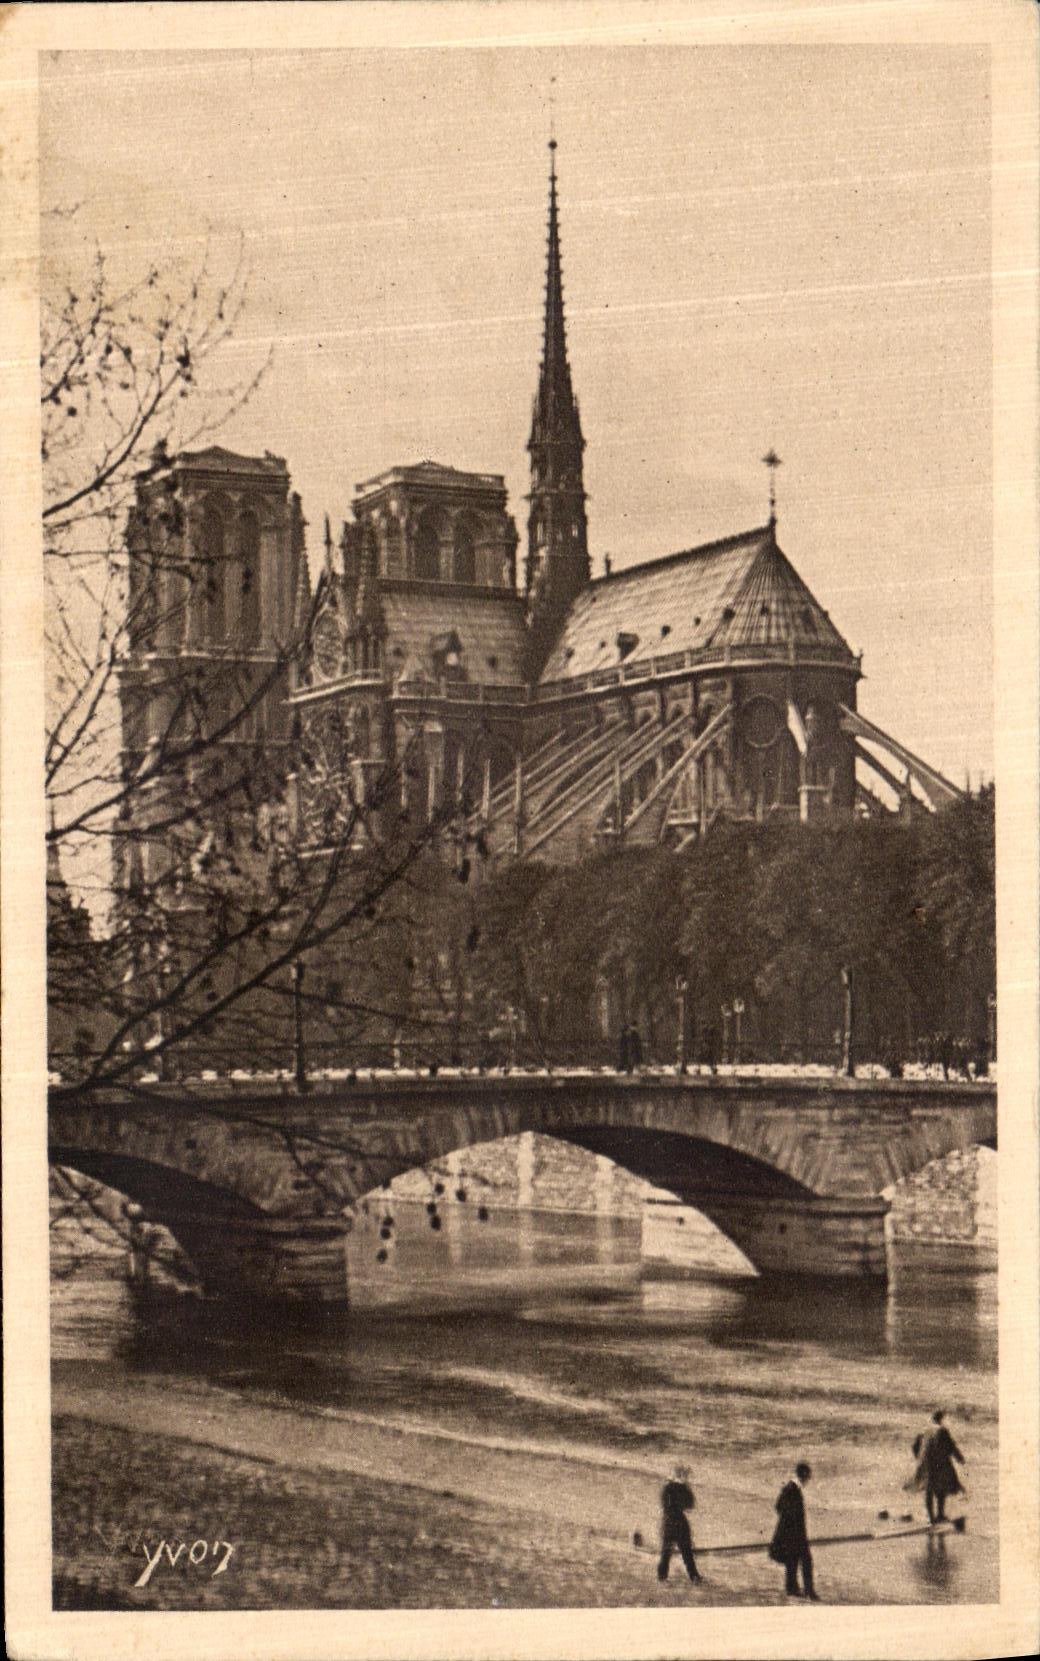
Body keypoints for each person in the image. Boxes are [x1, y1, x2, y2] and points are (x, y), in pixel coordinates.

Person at [769, 1461, 819, 1600]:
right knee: (805, 1561)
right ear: (803, 1475)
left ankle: (793, 1589)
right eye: (808, 1477)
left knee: (793, 1561)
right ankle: (808, 1591)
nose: (808, 1480)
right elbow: (780, 1507)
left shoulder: (791, 1488)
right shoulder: (792, 1489)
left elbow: (779, 1507)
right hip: (794, 1533)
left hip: (792, 1533)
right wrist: (791, 1523)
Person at [912, 1411, 966, 1524]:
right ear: (941, 1419)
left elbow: (914, 1446)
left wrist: (919, 1458)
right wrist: (960, 1458)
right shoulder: (942, 1430)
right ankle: (940, 1515)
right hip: (938, 1463)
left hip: (925, 1463)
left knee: (929, 1490)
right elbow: (951, 1446)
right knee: (941, 1488)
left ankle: (930, 1518)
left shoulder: (924, 1430)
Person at [657, 1464, 702, 1584]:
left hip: (672, 1521)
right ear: (681, 1475)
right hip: (675, 1521)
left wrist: (684, 1488)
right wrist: (685, 1488)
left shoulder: (670, 1487)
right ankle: (693, 1577)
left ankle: (663, 1577)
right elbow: (689, 1505)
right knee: (681, 1551)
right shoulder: (676, 1488)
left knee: (672, 1551)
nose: (686, 1478)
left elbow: (688, 1505)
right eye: (685, 1475)